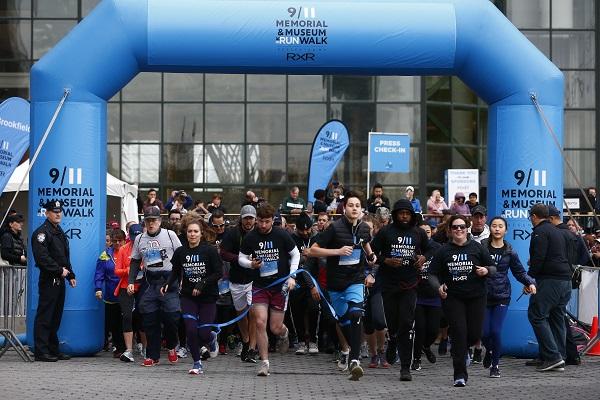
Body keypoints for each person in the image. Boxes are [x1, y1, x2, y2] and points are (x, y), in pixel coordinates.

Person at [310, 191, 377, 381]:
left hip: (355, 279)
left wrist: (371, 257)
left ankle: (355, 360)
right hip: (335, 284)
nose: (354, 208)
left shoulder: (364, 228)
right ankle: (351, 356)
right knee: (345, 322)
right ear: (344, 208)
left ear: (361, 209)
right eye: (351, 205)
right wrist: (337, 251)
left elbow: (366, 246)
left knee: (356, 314)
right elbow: (312, 250)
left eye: (357, 205)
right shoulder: (334, 228)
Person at [428, 215, 495, 387]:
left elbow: (493, 268)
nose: (459, 230)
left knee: (474, 335)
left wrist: (486, 270)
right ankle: (459, 374)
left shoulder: (477, 247)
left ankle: (464, 349)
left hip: (476, 296)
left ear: (467, 229)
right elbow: (432, 274)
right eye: (455, 227)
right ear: (450, 230)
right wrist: (438, 287)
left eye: (462, 227)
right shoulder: (443, 251)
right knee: (458, 333)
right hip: (453, 298)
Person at [238, 203, 300, 377]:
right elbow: (241, 258)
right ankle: (264, 362)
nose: (263, 225)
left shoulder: (281, 234)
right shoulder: (251, 237)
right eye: (260, 221)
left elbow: (296, 254)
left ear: (273, 220)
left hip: (280, 286)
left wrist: (292, 276)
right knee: (259, 322)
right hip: (260, 286)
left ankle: (284, 332)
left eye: (266, 222)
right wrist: (250, 264)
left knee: (275, 327)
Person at [371, 199, 430, 381]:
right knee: (393, 322)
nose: (404, 216)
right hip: (389, 284)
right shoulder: (386, 232)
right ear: (395, 214)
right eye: (401, 213)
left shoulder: (419, 232)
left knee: (406, 322)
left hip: (410, 284)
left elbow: (432, 249)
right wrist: (385, 260)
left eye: (407, 213)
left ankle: (405, 368)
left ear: (412, 215)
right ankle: (393, 340)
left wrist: (423, 258)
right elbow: (372, 253)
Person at [163, 219, 223, 375]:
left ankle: (211, 338)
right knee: (190, 329)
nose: (192, 234)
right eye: (190, 231)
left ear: (201, 233)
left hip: (208, 297)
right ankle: (197, 363)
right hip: (188, 296)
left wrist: (203, 283)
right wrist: (167, 284)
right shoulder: (181, 252)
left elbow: (218, 273)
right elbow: (175, 271)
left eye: (195, 231)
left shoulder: (209, 251)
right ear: (186, 233)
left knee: (203, 333)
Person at [480, 217, 536, 378]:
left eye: (500, 226)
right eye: (494, 226)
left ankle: (495, 365)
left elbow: (519, 272)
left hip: (502, 295)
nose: (497, 229)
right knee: (484, 333)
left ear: (506, 230)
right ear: (489, 229)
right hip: (482, 294)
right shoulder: (481, 247)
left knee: (496, 331)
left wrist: (530, 283)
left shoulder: (510, 251)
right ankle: (489, 351)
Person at [127, 207, 182, 367]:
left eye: (154, 220)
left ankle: (172, 345)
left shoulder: (170, 235)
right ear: (144, 221)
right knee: (149, 319)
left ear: (159, 221)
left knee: (172, 317)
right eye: (148, 220)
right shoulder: (139, 239)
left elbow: (180, 257)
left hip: (169, 281)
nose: (151, 223)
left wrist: (181, 279)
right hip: (150, 282)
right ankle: (153, 355)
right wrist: (131, 281)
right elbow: (135, 261)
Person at [526, 203, 572, 372]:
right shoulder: (558, 231)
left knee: (537, 315)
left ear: (534, 217)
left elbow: (538, 258)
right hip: (565, 281)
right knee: (557, 317)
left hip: (550, 281)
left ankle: (552, 357)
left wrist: (529, 279)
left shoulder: (540, 232)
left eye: (531, 217)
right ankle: (559, 356)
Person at [32, 200, 76, 362]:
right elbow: (42, 258)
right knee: (45, 316)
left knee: (55, 316)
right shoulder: (42, 233)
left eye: (60, 211)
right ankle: (41, 351)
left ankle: (52, 349)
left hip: (60, 279)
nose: (58, 214)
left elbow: (63, 257)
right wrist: (59, 271)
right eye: (54, 211)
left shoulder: (58, 231)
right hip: (50, 279)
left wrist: (71, 275)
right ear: (47, 213)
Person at [220, 205, 259, 363]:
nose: (248, 221)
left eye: (251, 218)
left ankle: (252, 348)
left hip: (254, 280)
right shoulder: (232, 233)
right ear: (241, 219)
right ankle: (245, 341)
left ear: (255, 219)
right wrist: (240, 260)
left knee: (254, 313)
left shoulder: (259, 234)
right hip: (236, 279)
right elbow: (222, 252)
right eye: (246, 218)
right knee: (241, 314)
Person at [289, 212, 320, 355]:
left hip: (313, 280)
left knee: (313, 309)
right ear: (297, 228)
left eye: (308, 230)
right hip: (297, 280)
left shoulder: (316, 238)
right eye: (302, 230)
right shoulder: (292, 238)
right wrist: (302, 258)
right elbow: (288, 259)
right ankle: (301, 341)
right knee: (297, 310)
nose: (305, 233)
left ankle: (313, 340)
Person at [412, 221, 441, 372]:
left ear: (432, 233)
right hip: (417, 294)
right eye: (421, 232)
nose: (425, 235)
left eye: (428, 232)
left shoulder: (438, 248)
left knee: (433, 330)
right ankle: (416, 359)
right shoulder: (413, 248)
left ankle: (426, 346)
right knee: (420, 328)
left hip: (434, 294)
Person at [114, 223, 146, 362]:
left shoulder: (147, 248)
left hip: (143, 287)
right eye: (133, 237)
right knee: (127, 316)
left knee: (143, 316)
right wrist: (128, 271)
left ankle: (146, 348)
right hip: (125, 287)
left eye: (138, 236)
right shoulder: (123, 249)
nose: (135, 240)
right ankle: (128, 350)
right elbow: (117, 271)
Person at [94, 228, 127, 359]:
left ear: (125, 241)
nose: (117, 243)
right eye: (115, 241)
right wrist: (98, 288)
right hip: (111, 294)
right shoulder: (105, 255)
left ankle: (129, 346)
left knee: (127, 320)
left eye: (120, 241)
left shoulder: (130, 253)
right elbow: (99, 273)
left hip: (127, 292)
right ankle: (119, 347)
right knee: (114, 323)